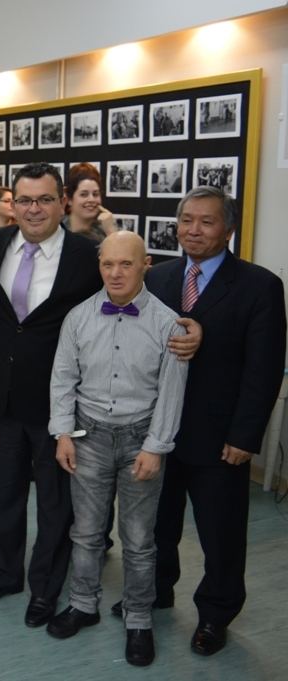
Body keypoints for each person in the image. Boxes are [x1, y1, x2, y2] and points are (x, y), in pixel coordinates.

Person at [0, 162, 202, 628]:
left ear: (62, 203)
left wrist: (191, 326)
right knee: (1, 497)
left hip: (64, 407)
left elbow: (138, 285)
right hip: (4, 396)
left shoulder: (88, 254)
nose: (34, 209)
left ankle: (45, 587)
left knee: (57, 507)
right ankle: (6, 573)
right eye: (25, 200)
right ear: (13, 205)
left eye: (45, 199)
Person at [143, 186, 286, 656]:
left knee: (220, 534)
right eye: (186, 220)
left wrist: (245, 435)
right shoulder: (158, 277)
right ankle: (156, 592)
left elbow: (263, 369)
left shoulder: (259, 286)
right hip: (161, 432)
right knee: (157, 524)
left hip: (220, 437)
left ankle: (215, 615)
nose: (194, 230)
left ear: (228, 229)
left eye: (206, 222)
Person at [47, 231, 189, 667]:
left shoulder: (168, 323)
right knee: (86, 532)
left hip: (140, 440)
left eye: (125, 264)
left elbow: (171, 393)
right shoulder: (78, 317)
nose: (115, 273)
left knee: (139, 539)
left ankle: (139, 617)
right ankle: (83, 604)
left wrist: (156, 447)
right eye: (107, 264)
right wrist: (63, 432)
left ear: (146, 264)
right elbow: (63, 378)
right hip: (88, 436)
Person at [61, 164, 115, 242]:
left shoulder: (106, 231)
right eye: (84, 194)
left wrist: (111, 232)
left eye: (95, 194)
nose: (91, 199)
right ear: (69, 199)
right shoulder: (55, 228)